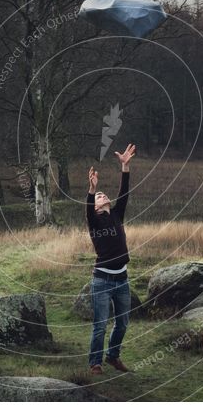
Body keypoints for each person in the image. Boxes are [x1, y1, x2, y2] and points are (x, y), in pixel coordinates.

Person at [85, 143, 136, 374]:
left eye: (104, 194)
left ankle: (113, 356)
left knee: (123, 323)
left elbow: (124, 194)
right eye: (99, 196)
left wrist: (125, 167)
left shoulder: (116, 215)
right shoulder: (94, 222)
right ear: (96, 206)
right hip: (102, 281)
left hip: (122, 280)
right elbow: (87, 207)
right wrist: (91, 189)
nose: (103, 195)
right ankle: (95, 363)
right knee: (100, 326)